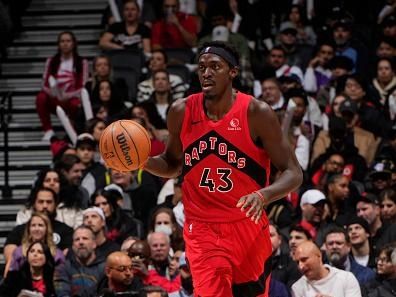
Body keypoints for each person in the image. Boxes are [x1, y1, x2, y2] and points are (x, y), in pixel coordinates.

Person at [143, 41, 303, 296]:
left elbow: (293, 172)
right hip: (202, 228)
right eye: (202, 67)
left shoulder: (256, 112)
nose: (206, 73)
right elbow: (173, 165)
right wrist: (143, 161)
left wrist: (264, 195)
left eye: (215, 66)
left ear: (233, 72)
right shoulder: (181, 111)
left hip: (247, 225)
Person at [291, 241, 362, 297]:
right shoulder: (297, 287)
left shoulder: (347, 278)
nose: (301, 266)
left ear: (319, 256)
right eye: (297, 262)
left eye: (304, 259)